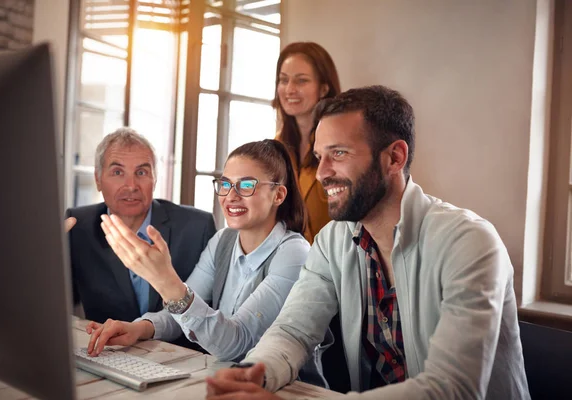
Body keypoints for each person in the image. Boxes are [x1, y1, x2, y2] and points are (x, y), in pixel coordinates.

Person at [205, 86, 530, 399]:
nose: (321, 173)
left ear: (394, 158)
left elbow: (452, 389)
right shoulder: (332, 241)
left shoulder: (469, 242)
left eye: (339, 154)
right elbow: (294, 331)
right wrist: (254, 375)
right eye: (320, 156)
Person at [83, 139, 311, 364]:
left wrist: (164, 280)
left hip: (289, 389)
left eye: (246, 185)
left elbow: (235, 343)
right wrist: (139, 328)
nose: (231, 196)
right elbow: (180, 316)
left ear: (279, 195)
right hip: (229, 379)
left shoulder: (293, 253)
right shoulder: (223, 241)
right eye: (225, 184)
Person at [65, 128, 217, 325]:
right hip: (108, 351)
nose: (131, 185)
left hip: (178, 352)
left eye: (142, 172)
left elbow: (208, 314)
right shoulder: (78, 225)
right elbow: (57, 301)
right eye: (117, 172)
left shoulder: (197, 228)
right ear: (98, 179)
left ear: (154, 180)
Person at [274, 41, 341, 244]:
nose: (290, 89)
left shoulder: (342, 145)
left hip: (335, 265)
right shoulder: (275, 146)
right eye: (283, 80)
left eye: (301, 81)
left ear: (323, 89)